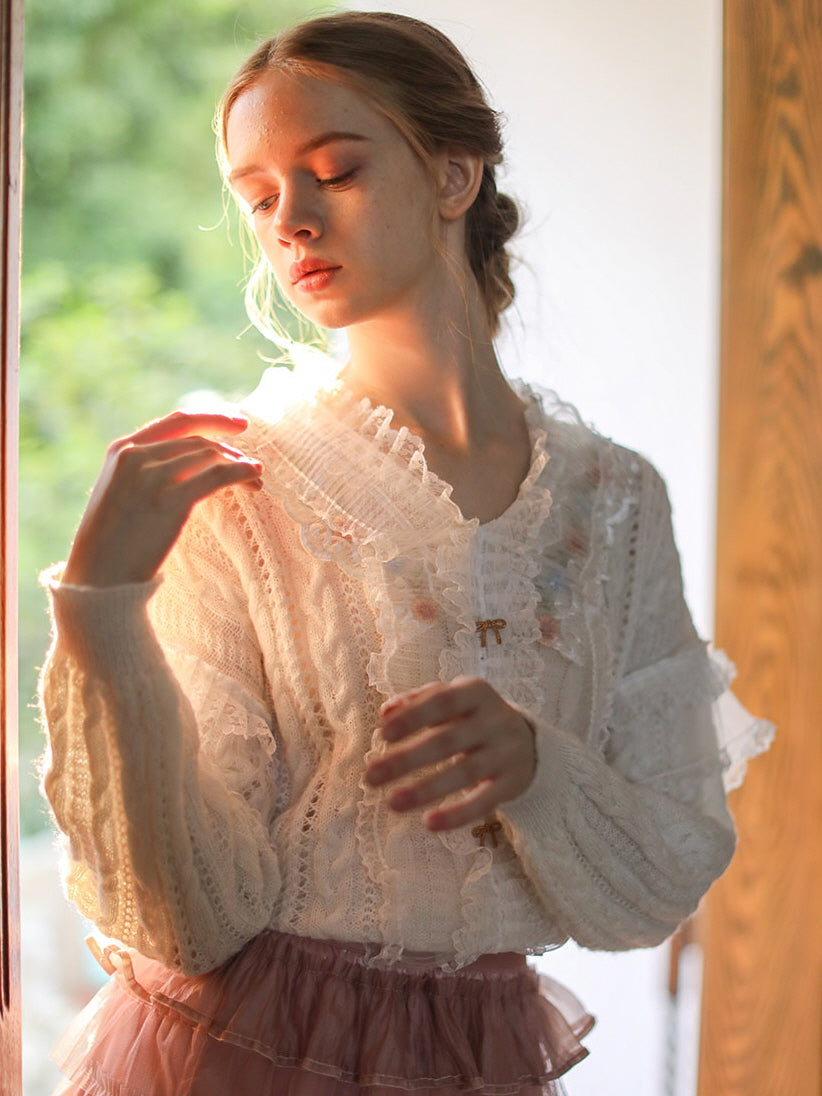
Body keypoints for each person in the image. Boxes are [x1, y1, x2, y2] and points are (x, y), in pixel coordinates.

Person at [39, 11, 773, 1096]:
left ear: (455, 173)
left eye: (331, 170)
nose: (289, 220)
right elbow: (193, 915)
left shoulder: (613, 501)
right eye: (256, 197)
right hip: (235, 1057)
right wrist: (102, 607)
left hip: (482, 1060)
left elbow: (658, 875)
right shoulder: (236, 483)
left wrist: (536, 768)